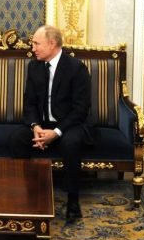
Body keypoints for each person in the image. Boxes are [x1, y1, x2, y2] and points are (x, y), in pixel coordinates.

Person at [9, 25, 92, 223]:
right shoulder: (34, 66)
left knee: (71, 143)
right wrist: (35, 127)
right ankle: (29, 192)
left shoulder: (76, 68)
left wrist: (56, 132)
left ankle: (73, 200)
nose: (33, 48)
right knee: (17, 138)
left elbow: (80, 110)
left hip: (70, 124)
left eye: (37, 44)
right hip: (42, 123)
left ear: (52, 44)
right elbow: (29, 103)